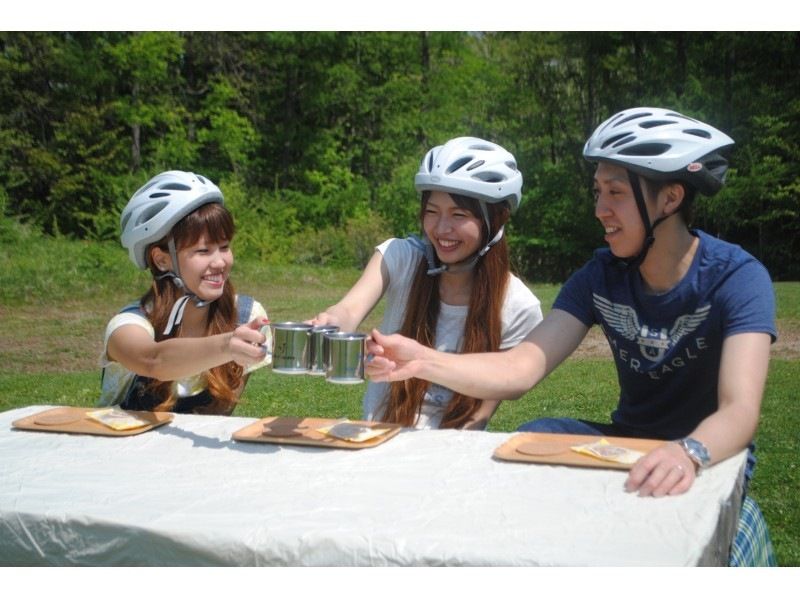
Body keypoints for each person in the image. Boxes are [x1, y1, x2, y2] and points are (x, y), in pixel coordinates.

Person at [366, 108, 777, 564]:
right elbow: (521, 367)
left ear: (670, 198)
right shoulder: (600, 275)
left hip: (708, 452)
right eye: (598, 191)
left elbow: (740, 409)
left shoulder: (738, 277)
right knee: (533, 438)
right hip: (629, 438)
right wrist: (421, 361)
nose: (600, 208)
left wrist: (689, 453)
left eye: (616, 193)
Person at [310, 137, 543, 429]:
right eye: (432, 211)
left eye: (459, 214)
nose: (441, 229)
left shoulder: (519, 308)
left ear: (495, 221)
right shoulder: (400, 257)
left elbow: (478, 416)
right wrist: (331, 322)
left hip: (449, 453)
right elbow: (348, 310)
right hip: (374, 442)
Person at [99, 170, 271, 415]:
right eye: (203, 251)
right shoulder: (128, 326)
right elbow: (153, 361)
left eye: (224, 247)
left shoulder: (245, 316)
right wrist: (228, 346)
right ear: (161, 260)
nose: (220, 262)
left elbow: (216, 417)